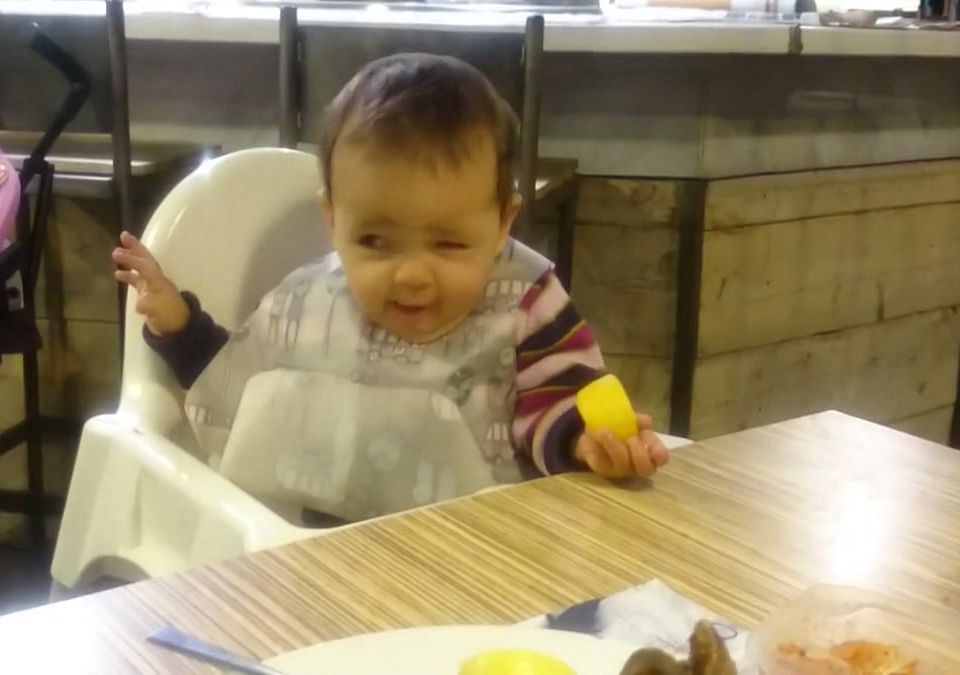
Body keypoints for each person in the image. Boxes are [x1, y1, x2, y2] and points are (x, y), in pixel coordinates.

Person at [112, 53, 668, 523]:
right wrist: (179, 327)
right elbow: (242, 390)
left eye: (449, 244)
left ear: (503, 222)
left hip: (485, 558)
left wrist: (586, 442)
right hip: (319, 556)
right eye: (376, 241)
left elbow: (558, 401)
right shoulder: (308, 303)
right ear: (333, 221)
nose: (411, 274)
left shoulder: (526, 304)